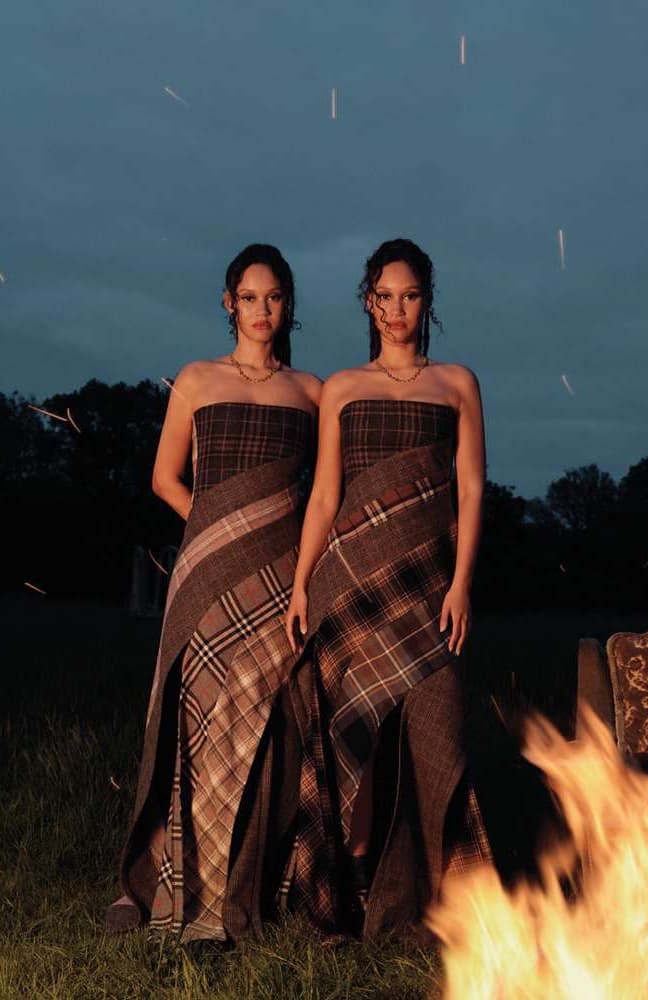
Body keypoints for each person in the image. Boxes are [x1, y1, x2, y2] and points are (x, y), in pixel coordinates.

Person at [106, 243, 320, 942]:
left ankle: (253, 889)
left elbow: (323, 494)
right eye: (249, 297)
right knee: (196, 729)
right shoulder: (196, 381)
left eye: (274, 297)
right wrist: (220, 532)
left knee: (266, 730)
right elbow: (165, 480)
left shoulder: (312, 393)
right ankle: (181, 891)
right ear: (228, 302)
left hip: (281, 583)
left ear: (287, 305)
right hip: (207, 578)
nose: (262, 310)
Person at [284, 237, 490, 940]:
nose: (396, 309)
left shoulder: (456, 383)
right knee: (354, 745)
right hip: (352, 588)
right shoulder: (341, 387)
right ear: (366, 302)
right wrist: (301, 586)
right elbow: (323, 498)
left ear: (425, 301)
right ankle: (348, 897)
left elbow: (468, 489)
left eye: (409, 296)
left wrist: (461, 584)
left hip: (429, 586)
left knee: (439, 742)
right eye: (384, 296)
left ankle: (444, 906)